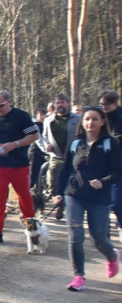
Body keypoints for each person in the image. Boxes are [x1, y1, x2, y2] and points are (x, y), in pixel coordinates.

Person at [54, 106, 122, 291]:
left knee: (98, 238)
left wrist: (104, 182)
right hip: (74, 194)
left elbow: (118, 171)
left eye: (94, 119)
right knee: (75, 235)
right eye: (87, 119)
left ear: (102, 122)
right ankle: (79, 276)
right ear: (82, 123)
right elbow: (65, 168)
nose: (90, 122)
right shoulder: (76, 143)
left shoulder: (110, 143)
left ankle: (112, 255)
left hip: (99, 197)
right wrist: (59, 192)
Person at [0, 90, 41, 244]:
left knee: (24, 196)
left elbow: (34, 136)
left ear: (9, 102)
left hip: (18, 164)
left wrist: (15, 144)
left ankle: (33, 229)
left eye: (1, 105)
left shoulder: (22, 116)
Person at [42, 94, 80, 220]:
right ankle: (60, 205)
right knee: (53, 183)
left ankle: (72, 206)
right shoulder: (49, 120)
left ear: (67, 103)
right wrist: (47, 145)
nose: (60, 105)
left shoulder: (77, 119)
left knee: (71, 183)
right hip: (55, 156)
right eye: (58, 103)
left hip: (73, 156)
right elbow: (44, 136)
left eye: (62, 102)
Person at [97, 90, 122, 231]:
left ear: (115, 104)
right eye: (101, 104)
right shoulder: (98, 118)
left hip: (117, 166)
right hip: (101, 165)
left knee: (117, 202)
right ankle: (104, 235)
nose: (104, 107)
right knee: (102, 203)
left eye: (107, 104)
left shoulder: (119, 119)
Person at [29, 109, 48, 192]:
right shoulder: (34, 125)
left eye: (44, 115)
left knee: (41, 178)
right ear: (37, 115)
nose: (42, 117)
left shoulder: (46, 125)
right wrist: (45, 149)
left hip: (44, 154)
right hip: (35, 153)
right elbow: (38, 139)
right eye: (41, 115)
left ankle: (39, 195)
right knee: (32, 175)